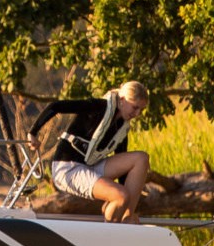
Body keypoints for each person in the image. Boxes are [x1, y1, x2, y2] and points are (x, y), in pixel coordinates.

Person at [32, 82, 153, 222]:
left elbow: (124, 170)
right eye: (135, 107)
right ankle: (109, 235)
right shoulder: (97, 107)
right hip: (67, 169)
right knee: (121, 196)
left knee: (141, 159)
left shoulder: (122, 129)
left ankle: (127, 217)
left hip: (91, 167)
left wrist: (123, 205)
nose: (137, 114)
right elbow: (56, 106)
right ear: (122, 100)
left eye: (141, 110)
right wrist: (33, 133)